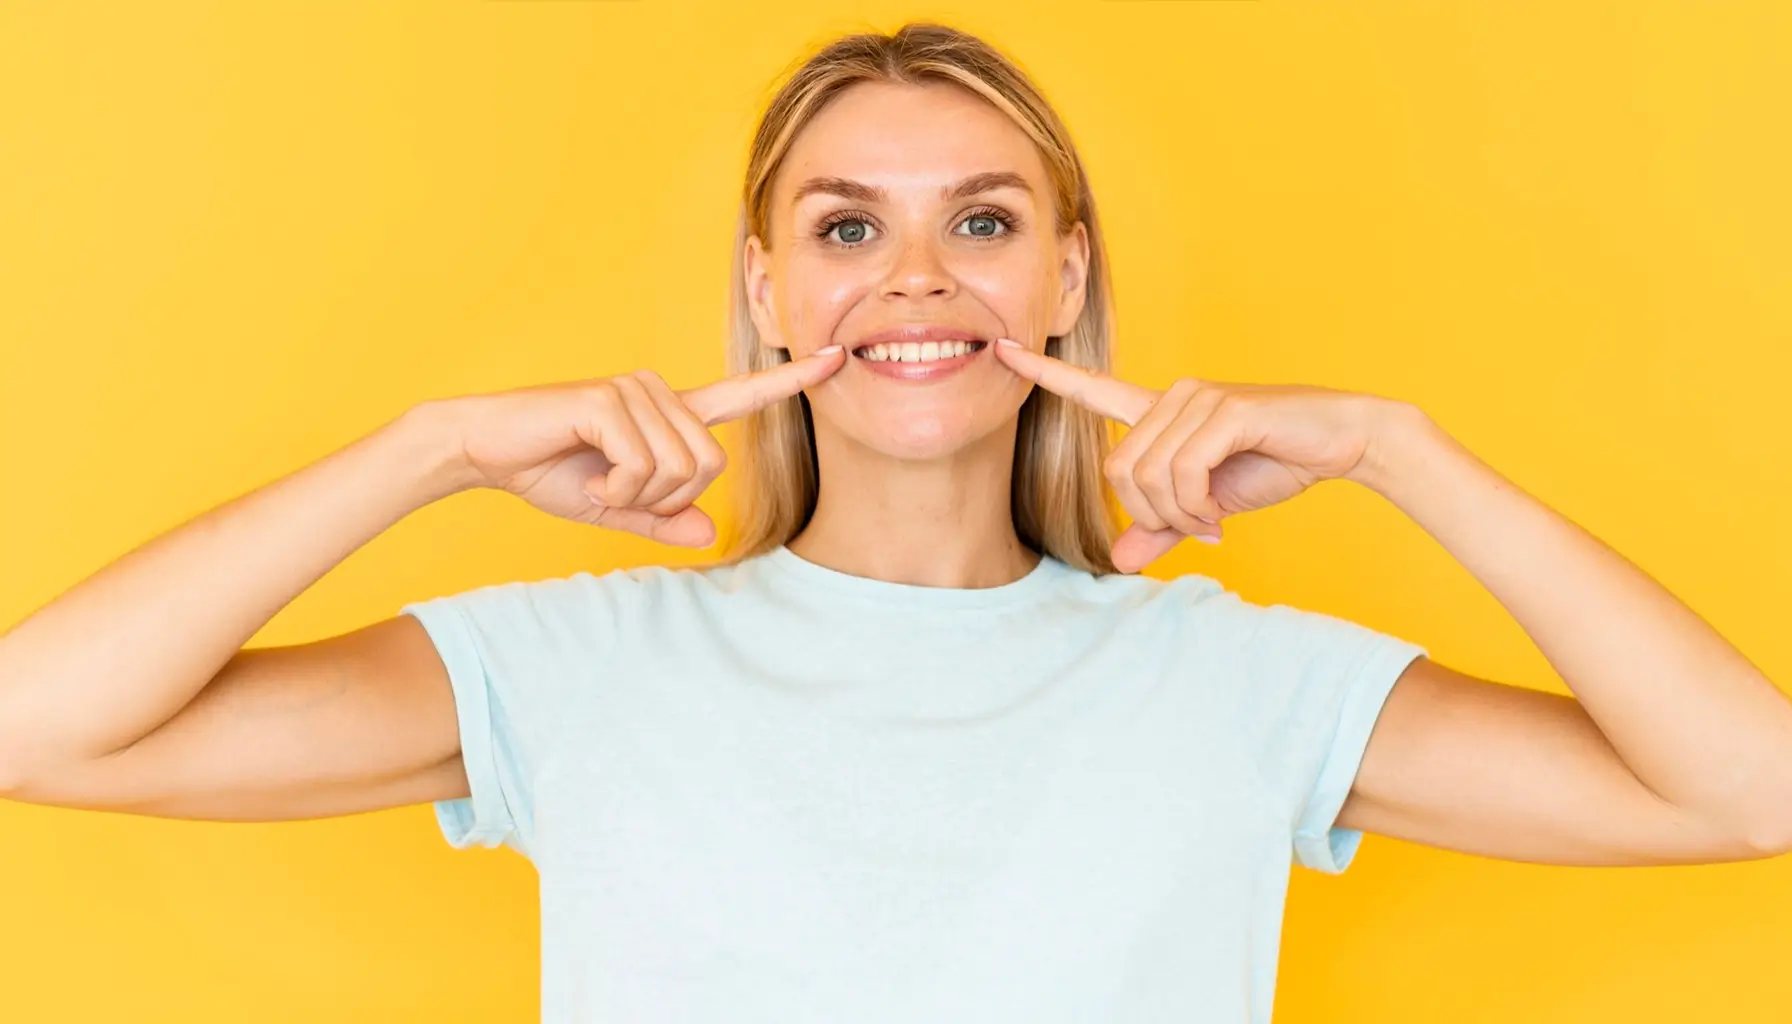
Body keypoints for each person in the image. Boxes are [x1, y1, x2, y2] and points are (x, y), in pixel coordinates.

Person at [0, 21, 1787, 1024]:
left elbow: (1753, 793)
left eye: (986, 223)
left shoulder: (1244, 688)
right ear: (767, 285)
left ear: (1068, 270)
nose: (916, 279)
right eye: (847, 229)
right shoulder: (575, 665)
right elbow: (32, 726)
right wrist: (431, 450)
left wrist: (1403, 452)